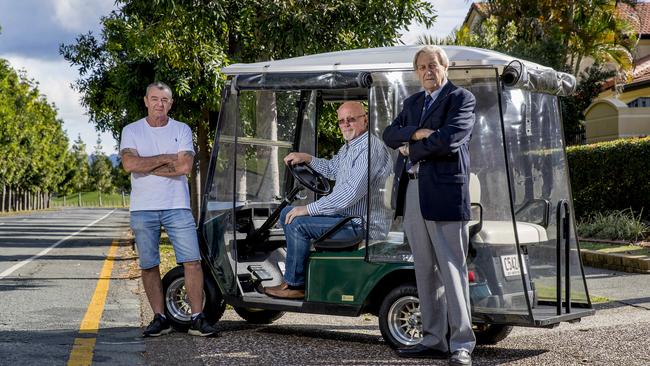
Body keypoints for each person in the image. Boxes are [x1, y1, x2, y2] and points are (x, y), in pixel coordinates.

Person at [382, 45, 476, 366]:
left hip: (445, 195)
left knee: (452, 270)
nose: (427, 71)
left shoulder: (461, 99)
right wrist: (417, 133)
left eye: (433, 65)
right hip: (412, 193)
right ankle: (433, 339)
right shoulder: (411, 103)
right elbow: (389, 134)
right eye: (421, 67)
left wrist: (413, 148)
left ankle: (462, 343)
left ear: (445, 67)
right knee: (424, 269)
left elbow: (450, 138)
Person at [264, 101, 391, 299]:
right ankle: (297, 272)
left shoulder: (369, 148)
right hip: (347, 217)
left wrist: (308, 209)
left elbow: (350, 193)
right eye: (342, 121)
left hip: (362, 224)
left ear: (364, 120)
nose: (346, 124)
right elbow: (333, 169)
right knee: (286, 213)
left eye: (351, 119)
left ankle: (295, 284)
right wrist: (307, 158)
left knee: (298, 224)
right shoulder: (350, 147)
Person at [120, 82, 218, 337]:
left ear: (171, 103)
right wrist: (166, 157)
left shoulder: (182, 130)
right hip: (143, 209)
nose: (159, 104)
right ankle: (160, 318)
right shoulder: (131, 130)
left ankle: (197, 318)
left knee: (193, 262)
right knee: (149, 264)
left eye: (164, 100)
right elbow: (130, 164)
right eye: (154, 99)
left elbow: (184, 167)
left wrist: (148, 164)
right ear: (145, 101)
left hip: (177, 206)